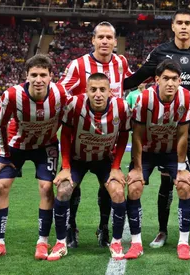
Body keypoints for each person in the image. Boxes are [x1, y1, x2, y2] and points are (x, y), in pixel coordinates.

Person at [123, 9, 190, 248]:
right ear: (172, 26)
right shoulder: (160, 53)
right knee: (169, 180)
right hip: (169, 128)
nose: (182, 26)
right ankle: (162, 231)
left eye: (187, 23)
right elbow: (137, 79)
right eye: (178, 22)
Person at [0, 54, 68, 261]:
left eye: (43, 75)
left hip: (46, 146)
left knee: (47, 188)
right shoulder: (12, 95)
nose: (38, 79)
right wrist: (3, 156)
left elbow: (69, 124)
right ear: (26, 76)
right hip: (16, 146)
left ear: (51, 77)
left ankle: (42, 241)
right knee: (1, 186)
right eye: (34, 75)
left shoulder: (61, 93)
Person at [58, 21, 134, 248]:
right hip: (80, 141)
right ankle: (70, 228)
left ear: (115, 42)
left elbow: (134, 79)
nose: (104, 41)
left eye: (109, 38)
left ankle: (103, 227)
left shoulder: (121, 63)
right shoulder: (78, 65)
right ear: (93, 40)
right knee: (71, 187)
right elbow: (61, 92)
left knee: (109, 187)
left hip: (107, 144)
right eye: (100, 37)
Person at [46, 73, 131, 261]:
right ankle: (62, 240)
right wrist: (66, 166)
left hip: (104, 158)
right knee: (63, 190)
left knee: (117, 191)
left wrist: (116, 166)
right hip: (78, 158)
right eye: (93, 89)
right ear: (86, 91)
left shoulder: (121, 107)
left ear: (110, 91)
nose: (98, 94)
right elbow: (65, 135)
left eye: (102, 89)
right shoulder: (75, 105)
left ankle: (111, 237)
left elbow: (124, 135)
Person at [125, 60, 190, 260]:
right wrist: (137, 167)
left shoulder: (186, 97)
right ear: (157, 80)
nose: (170, 83)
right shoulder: (144, 99)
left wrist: (181, 168)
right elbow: (136, 135)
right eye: (166, 79)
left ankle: (183, 243)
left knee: (184, 186)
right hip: (146, 151)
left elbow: (183, 135)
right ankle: (136, 243)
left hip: (171, 151)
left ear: (180, 80)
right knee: (134, 187)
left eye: (175, 79)